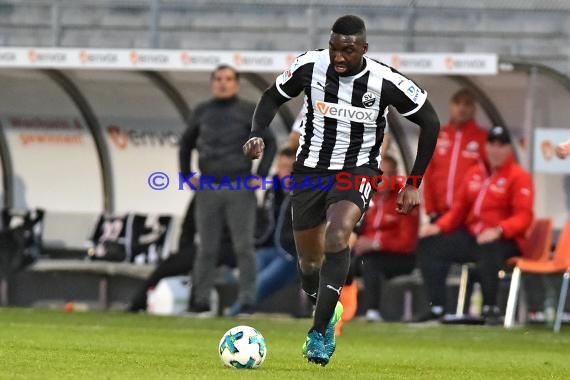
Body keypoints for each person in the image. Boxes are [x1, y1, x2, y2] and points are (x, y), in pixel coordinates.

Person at [243, 15, 440, 365]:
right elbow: (272, 97)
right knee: (308, 263)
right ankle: (327, 309)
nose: (339, 57)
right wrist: (257, 132)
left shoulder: (384, 80)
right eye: (335, 48)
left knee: (337, 236)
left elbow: (430, 120)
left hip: (357, 169)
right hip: (310, 170)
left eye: (348, 50)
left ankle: (318, 333)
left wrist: (414, 182)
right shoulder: (309, 65)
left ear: (364, 48)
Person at [180, 65, 277, 316]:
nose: (223, 83)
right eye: (219, 79)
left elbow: (271, 141)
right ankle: (199, 301)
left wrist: (261, 175)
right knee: (206, 247)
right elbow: (186, 144)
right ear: (213, 83)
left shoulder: (247, 111)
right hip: (209, 185)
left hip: (239, 185)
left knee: (243, 246)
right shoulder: (202, 111)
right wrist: (186, 174)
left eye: (228, 79)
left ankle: (247, 300)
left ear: (237, 83)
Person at [417, 126, 534, 325]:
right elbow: (459, 209)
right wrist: (439, 226)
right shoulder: (474, 173)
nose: (496, 150)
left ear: (509, 149)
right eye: (492, 144)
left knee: (489, 249)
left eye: (501, 145)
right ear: (486, 147)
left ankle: (490, 308)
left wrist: (499, 230)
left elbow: (524, 217)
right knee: (429, 245)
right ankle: (436, 307)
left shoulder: (519, 176)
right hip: (474, 236)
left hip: (506, 240)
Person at [228, 147, 298, 316]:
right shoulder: (271, 192)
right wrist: (255, 242)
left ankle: (232, 314)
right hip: (269, 249)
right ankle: (239, 309)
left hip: (291, 255)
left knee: (260, 281)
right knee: (243, 272)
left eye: (290, 167)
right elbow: (263, 223)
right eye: (282, 167)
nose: (285, 172)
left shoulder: (304, 194)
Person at [352, 155, 420, 322]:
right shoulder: (368, 197)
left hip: (401, 258)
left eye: (387, 174)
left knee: (370, 263)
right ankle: (330, 308)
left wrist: (376, 244)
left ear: (395, 175)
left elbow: (407, 243)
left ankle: (372, 311)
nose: (382, 179)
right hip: (368, 253)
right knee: (338, 260)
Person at [422, 88, 488, 222]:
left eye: (467, 104)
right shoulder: (437, 136)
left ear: (474, 109)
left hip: (469, 216)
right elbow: (428, 173)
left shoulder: (483, 138)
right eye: (457, 103)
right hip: (440, 213)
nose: (462, 108)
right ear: (451, 106)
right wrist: (430, 209)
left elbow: (490, 176)